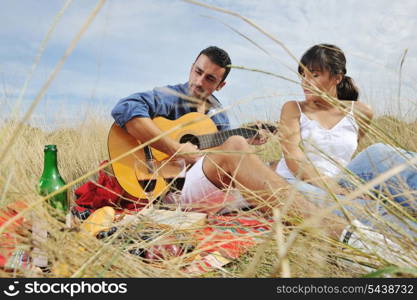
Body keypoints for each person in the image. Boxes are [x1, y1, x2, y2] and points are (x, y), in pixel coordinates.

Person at [111, 46, 412, 268]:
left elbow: (225, 156)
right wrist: (176, 149)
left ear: (221, 85)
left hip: (225, 186)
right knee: (236, 147)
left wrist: (247, 139)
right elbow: (126, 110)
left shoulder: (219, 114)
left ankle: (399, 234)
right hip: (170, 186)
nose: (200, 82)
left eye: (210, 79)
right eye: (198, 71)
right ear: (191, 67)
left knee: (381, 154)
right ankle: (350, 237)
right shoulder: (167, 97)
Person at [276, 43, 416, 233]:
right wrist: (332, 187)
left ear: (337, 78)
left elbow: (350, 153)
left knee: (379, 152)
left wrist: (346, 186)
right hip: (298, 183)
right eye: (303, 75)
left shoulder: (361, 111)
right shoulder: (293, 108)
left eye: (314, 75)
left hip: (341, 181)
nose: (305, 82)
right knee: (362, 208)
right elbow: (292, 156)